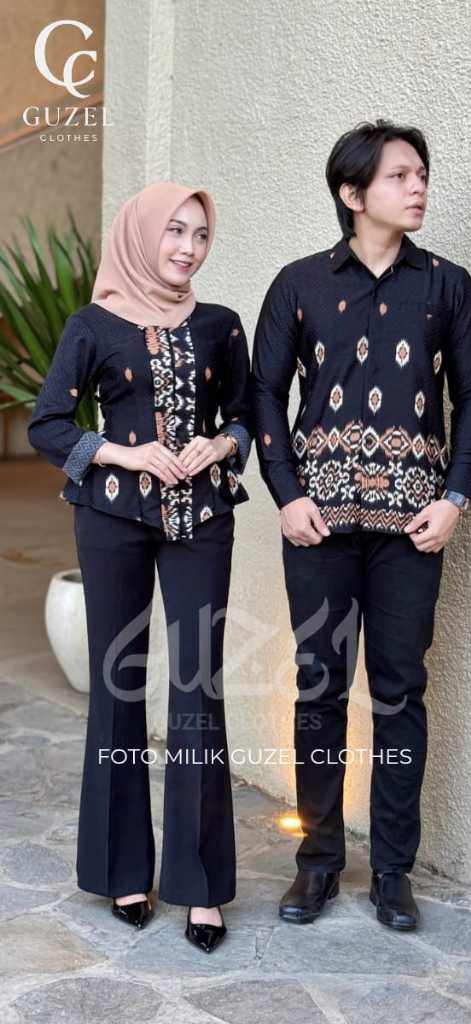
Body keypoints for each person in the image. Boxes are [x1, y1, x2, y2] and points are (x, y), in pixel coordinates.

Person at [252, 119, 471, 931]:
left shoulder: (449, 287)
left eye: (421, 173)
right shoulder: (298, 284)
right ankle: (318, 862)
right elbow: (265, 394)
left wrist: (455, 498)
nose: (418, 186)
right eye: (400, 175)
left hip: (412, 528)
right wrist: (286, 494)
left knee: (400, 693)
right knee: (319, 689)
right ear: (353, 193)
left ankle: (393, 871)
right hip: (316, 525)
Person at [27, 182, 253, 953]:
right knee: (118, 683)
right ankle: (123, 868)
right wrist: (127, 453)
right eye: (174, 232)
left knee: (198, 690)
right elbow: (48, 424)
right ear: (140, 235)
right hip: (111, 521)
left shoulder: (221, 326)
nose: (188, 248)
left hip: (203, 522)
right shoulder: (92, 325)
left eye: (201, 235)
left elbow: (245, 415)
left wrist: (219, 444)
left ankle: (201, 884)